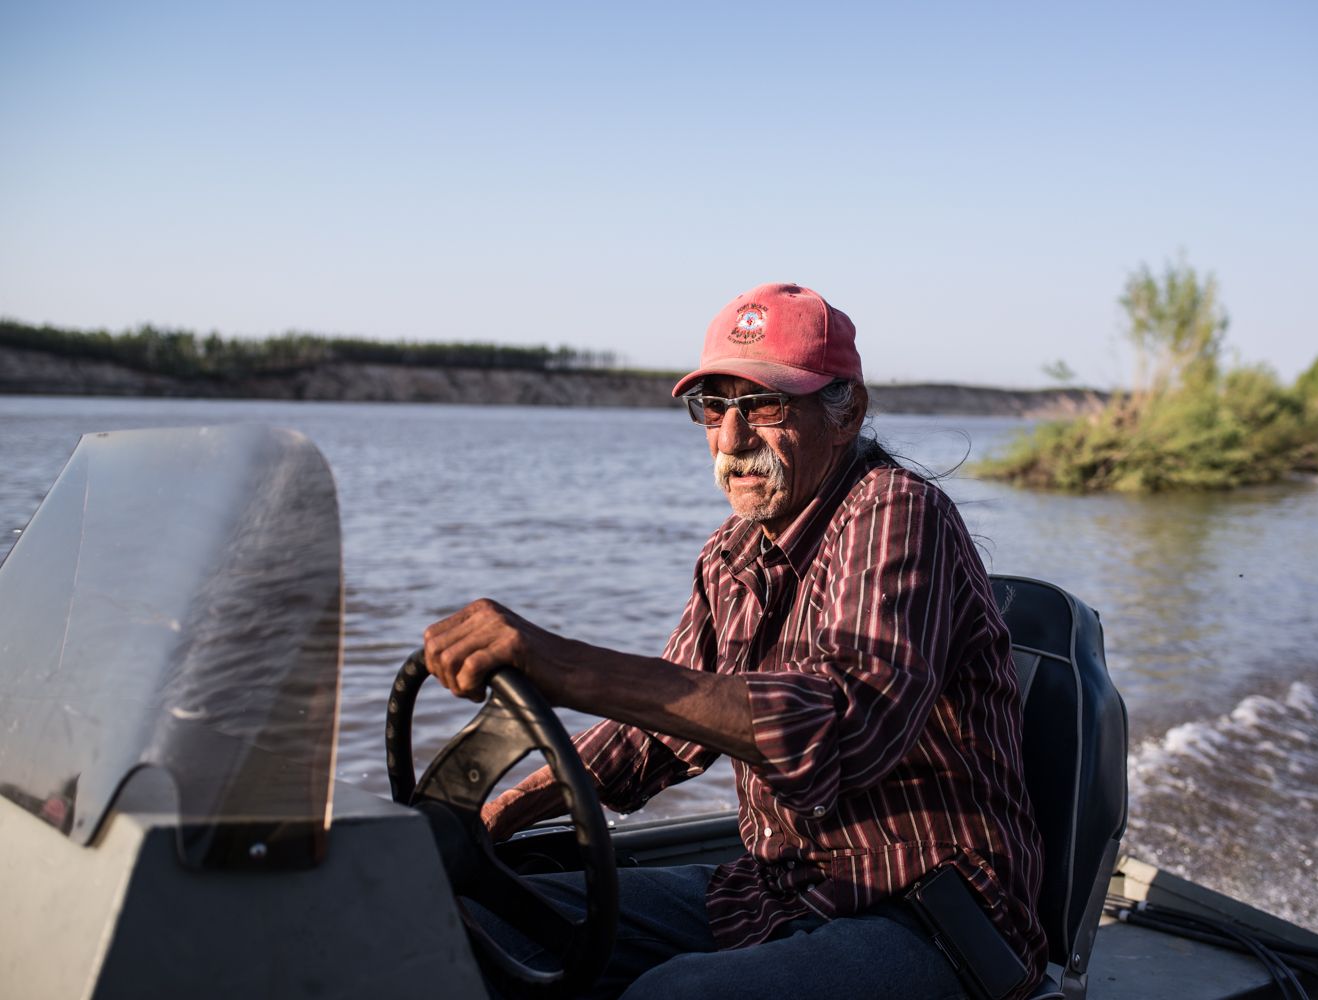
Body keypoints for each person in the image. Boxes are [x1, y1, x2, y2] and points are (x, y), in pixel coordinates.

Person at [424, 282, 1045, 1000]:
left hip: (932, 913)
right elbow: (655, 735)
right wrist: (496, 813)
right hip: (778, 890)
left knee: (676, 997)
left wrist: (565, 665)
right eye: (713, 407)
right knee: (467, 925)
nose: (730, 439)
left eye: (764, 405)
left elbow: (846, 729)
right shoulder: (732, 553)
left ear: (848, 413)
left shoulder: (899, 515)